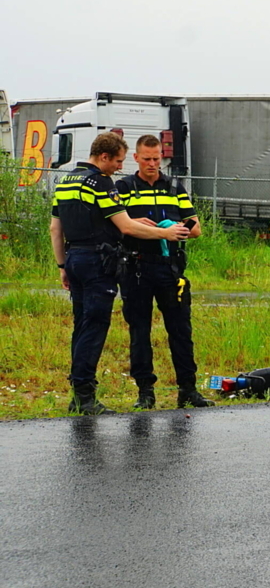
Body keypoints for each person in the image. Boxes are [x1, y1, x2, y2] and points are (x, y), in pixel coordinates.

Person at [50, 132, 189, 415]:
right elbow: (125, 227)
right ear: (103, 157)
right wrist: (163, 232)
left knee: (81, 325)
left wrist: (63, 266)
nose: (118, 167)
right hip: (97, 262)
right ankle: (85, 396)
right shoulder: (100, 182)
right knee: (95, 326)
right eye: (117, 161)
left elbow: (56, 228)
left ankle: (77, 394)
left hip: (74, 257)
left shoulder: (65, 181)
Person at [117, 135, 213, 409]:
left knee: (181, 330)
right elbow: (115, 225)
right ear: (136, 158)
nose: (152, 164)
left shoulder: (174, 187)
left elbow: (195, 228)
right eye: (146, 159)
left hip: (169, 268)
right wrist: (141, 226)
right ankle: (145, 392)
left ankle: (188, 389)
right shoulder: (124, 187)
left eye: (157, 159)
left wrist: (176, 228)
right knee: (140, 331)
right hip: (136, 267)